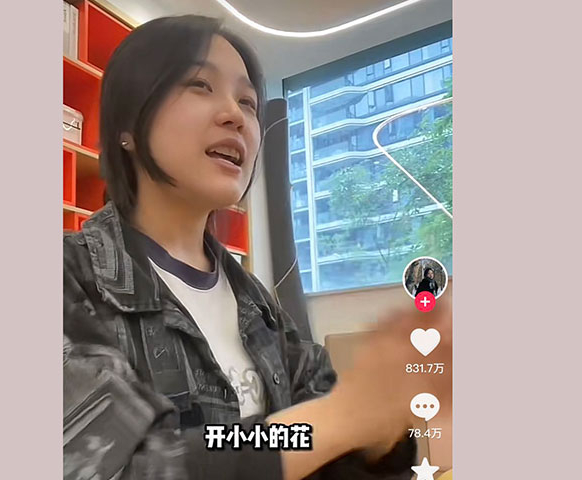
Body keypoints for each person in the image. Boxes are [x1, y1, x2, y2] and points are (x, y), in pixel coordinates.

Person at [63, 15, 451, 480]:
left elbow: (326, 435)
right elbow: (123, 465)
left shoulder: (258, 305)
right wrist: (343, 418)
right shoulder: (70, 278)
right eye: (200, 85)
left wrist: (383, 419)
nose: (236, 115)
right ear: (127, 122)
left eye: (248, 102)